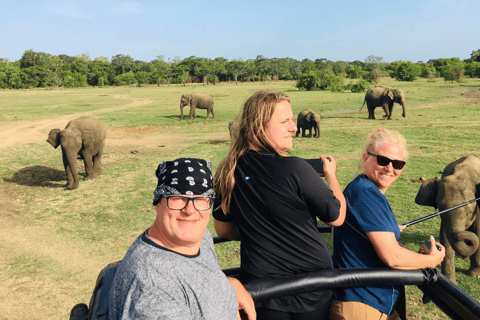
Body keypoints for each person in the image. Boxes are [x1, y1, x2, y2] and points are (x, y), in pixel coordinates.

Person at [213, 91, 347, 320]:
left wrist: (258, 230)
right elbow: (336, 216)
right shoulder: (296, 168)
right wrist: (331, 176)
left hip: (261, 291)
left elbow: (224, 230)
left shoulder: (227, 172)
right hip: (310, 290)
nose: (294, 128)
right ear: (258, 127)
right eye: (285, 122)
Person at [109, 158, 256, 320]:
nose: (189, 210)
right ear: (158, 203)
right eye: (177, 198)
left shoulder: (200, 237)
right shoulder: (152, 286)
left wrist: (228, 284)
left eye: (200, 199)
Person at [330, 129, 446, 320]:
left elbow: (342, 232)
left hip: (365, 300)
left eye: (398, 164)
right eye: (383, 160)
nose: (390, 168)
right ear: (366, 157)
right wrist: (432, 260)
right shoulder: (366, 194)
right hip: (363, 303)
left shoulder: (360, 187)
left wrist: (387, 227)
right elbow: (392, 256)